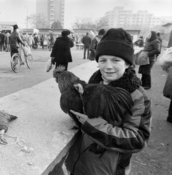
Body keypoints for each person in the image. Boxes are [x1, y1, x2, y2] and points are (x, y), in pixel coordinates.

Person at [64, 28, 152, 175]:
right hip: (79, 163)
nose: (108, 66)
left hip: (107, 169)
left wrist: (92, 125)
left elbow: (137, 140)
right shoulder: (93, 83)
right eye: (103, 60)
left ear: (128, 63)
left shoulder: (137, 96)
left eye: (116, 60)